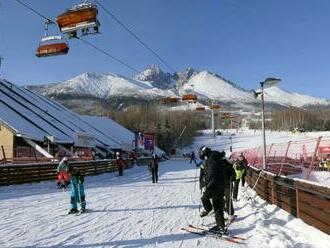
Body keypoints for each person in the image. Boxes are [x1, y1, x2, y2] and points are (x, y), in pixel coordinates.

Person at [199, 146, 227, 234]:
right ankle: (221, 227)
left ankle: (208, 209)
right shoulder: (217, 156)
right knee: (218, 206)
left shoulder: (211, 158)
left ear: (205, 153)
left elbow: (211, 173)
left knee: (204, 198)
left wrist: (208, 185)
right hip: (221, 185)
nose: (204, 159)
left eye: (204, 157)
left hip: (214, 185)